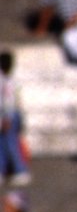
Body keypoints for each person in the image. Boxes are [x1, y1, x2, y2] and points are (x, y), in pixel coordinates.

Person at [0, 50, 30, 186]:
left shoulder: (5, 81)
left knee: (10, 144)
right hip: (13, 114)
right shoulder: (12, 80)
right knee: (4, 144)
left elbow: (7, 101)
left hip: (7, 115)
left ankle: (20, 170)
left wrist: (5, 118)